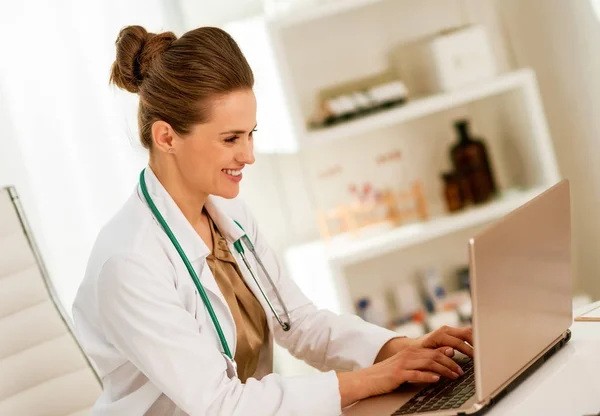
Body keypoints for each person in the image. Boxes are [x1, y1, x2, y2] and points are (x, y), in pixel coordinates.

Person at [72, 25, 473, 416]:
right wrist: (373, 378)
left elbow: (299, 323)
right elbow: (220, 404)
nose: (249, 155)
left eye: (251, 134)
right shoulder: (129, 264)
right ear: (166, 138)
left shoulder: (231, 215)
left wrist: (401, 350)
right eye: (230, 139)